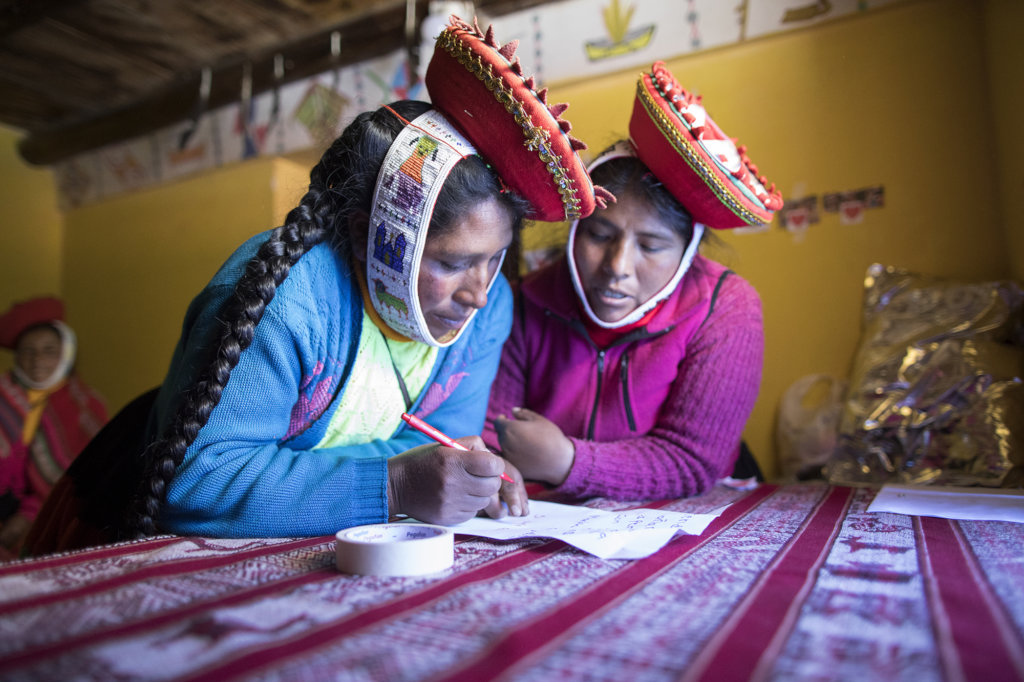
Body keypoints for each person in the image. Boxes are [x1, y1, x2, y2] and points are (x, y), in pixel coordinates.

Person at [25, 17, 607, 553]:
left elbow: (449, 442)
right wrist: (394, 483)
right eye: (453, 262)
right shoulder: (286, 296)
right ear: (368, 238)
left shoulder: (491, 306)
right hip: (121, 525)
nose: (479, 292)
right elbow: (199, 480)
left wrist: (302, 468)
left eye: (494, 258)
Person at [485, 61, 784, 501]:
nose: (617, 266)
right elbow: (494, 432)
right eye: (599, 236)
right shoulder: (528, 302)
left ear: (687, 252)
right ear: (574, 232)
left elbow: (691, 461)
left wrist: (567, 461)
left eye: (651, 246)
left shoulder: (726, 307)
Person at [0, 297, 107, 555]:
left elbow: (85, 479)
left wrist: (28, 515)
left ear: (66, 353)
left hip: (50, 513)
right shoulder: (4, 394)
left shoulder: (87, 407)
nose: (37, 360)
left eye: (49, 351)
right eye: (27, 351)